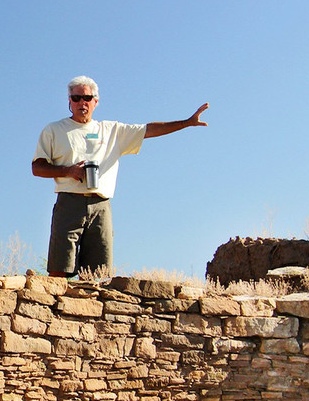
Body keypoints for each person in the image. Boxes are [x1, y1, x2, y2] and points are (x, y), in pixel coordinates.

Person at [32, 75, 209, 277]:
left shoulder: (111, 130)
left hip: (101, 205)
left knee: (97, 273)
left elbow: (148, 130)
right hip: (68, 202)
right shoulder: (54, 130)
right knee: (60, 268)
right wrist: (68, 171)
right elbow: (38, 168)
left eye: (87, 98)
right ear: (69, 101)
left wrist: (186, 123)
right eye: (76, 98)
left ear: (95, 101)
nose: (82, 102)